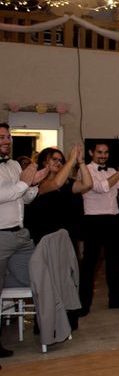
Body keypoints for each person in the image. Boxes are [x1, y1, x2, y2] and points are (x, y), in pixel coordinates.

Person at [0, 122, 49, 358]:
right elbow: (4, 195)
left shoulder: (11, 165)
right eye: (1, 137)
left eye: (8, 137)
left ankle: (46, 328)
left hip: (20, 234)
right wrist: (24, 182)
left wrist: (34, 183)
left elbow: (23, 199)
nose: (6, 141)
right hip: (0, 236)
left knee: (38, 276)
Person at [78, 142, 119, 316]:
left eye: (106, 152)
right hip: (94, 220)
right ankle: (83, 303)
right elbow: (101, 187)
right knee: (90, 264)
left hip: (114, 219)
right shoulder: (85, 169)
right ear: (91, 152)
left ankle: (115, 298)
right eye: (99, 152)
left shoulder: (112, 171)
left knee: (114, 262)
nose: (103, 155)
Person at [24, 145, 92, 247]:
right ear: (43, 161)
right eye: (54, 159)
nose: (58, 162)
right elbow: (56, 184)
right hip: (45, 233)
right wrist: (70, 160)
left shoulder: (66, 183)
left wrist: (80, 162)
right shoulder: (37, 183)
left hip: (66, 233)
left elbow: (87, 184)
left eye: (61, 160)